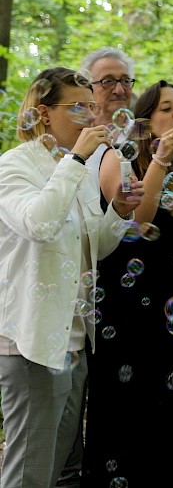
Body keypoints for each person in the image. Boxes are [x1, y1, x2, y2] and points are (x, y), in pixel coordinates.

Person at [0, 68, 142, 488]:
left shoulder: (70, 169)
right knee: (28, 469)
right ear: (43, 113)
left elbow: (94, 246)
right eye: (76, 107)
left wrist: (118, 209)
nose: (89, 116)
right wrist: (79, 160)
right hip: (32, 343)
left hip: (74, 341)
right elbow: (38, 224)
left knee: (54, 466)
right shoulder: (14, 166)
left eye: (90, 107)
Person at [82, 81, 173, 486]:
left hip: (170, 298)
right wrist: (159, 161)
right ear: (145, 120)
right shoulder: (119, 158)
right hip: (124, 299)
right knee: (122, 404)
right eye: (167, 108)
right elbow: (136, 226)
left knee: (163, 401)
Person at [80, 47, 137, 130]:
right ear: (87, 88)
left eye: (125, 81)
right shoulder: (74, 136)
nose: (120, 91)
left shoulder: (142, 136)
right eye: (108, 81)